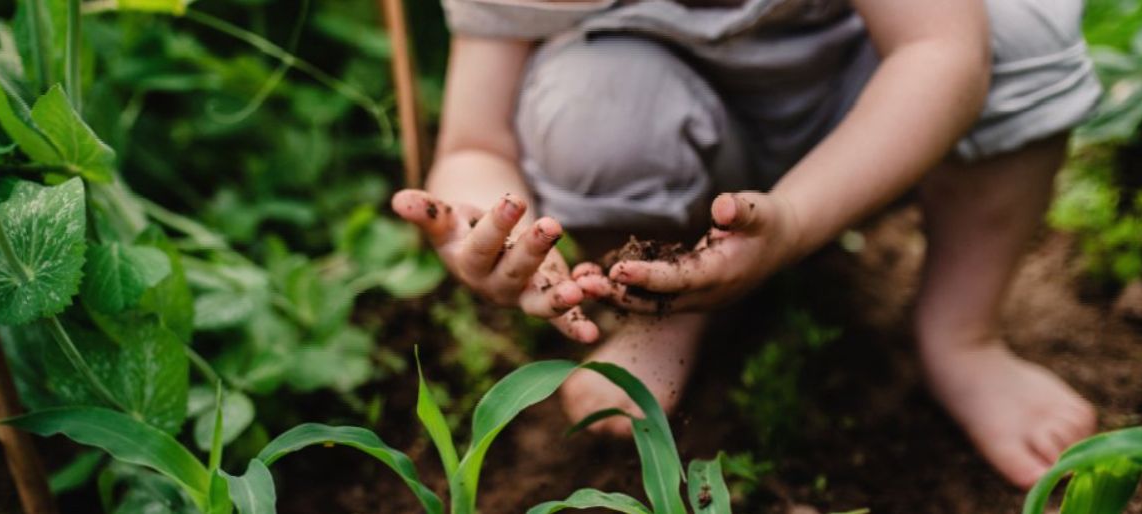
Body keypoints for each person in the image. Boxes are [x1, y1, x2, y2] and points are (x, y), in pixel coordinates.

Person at [391, 0, 1100, 489]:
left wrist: (793, 219)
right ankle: (666, 300)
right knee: (591, 103)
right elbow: (476, 142)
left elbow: (941, 51)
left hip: (881, 120)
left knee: (1013, 25)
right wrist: (482, 221)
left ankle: (961, 333)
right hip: (679, 129)